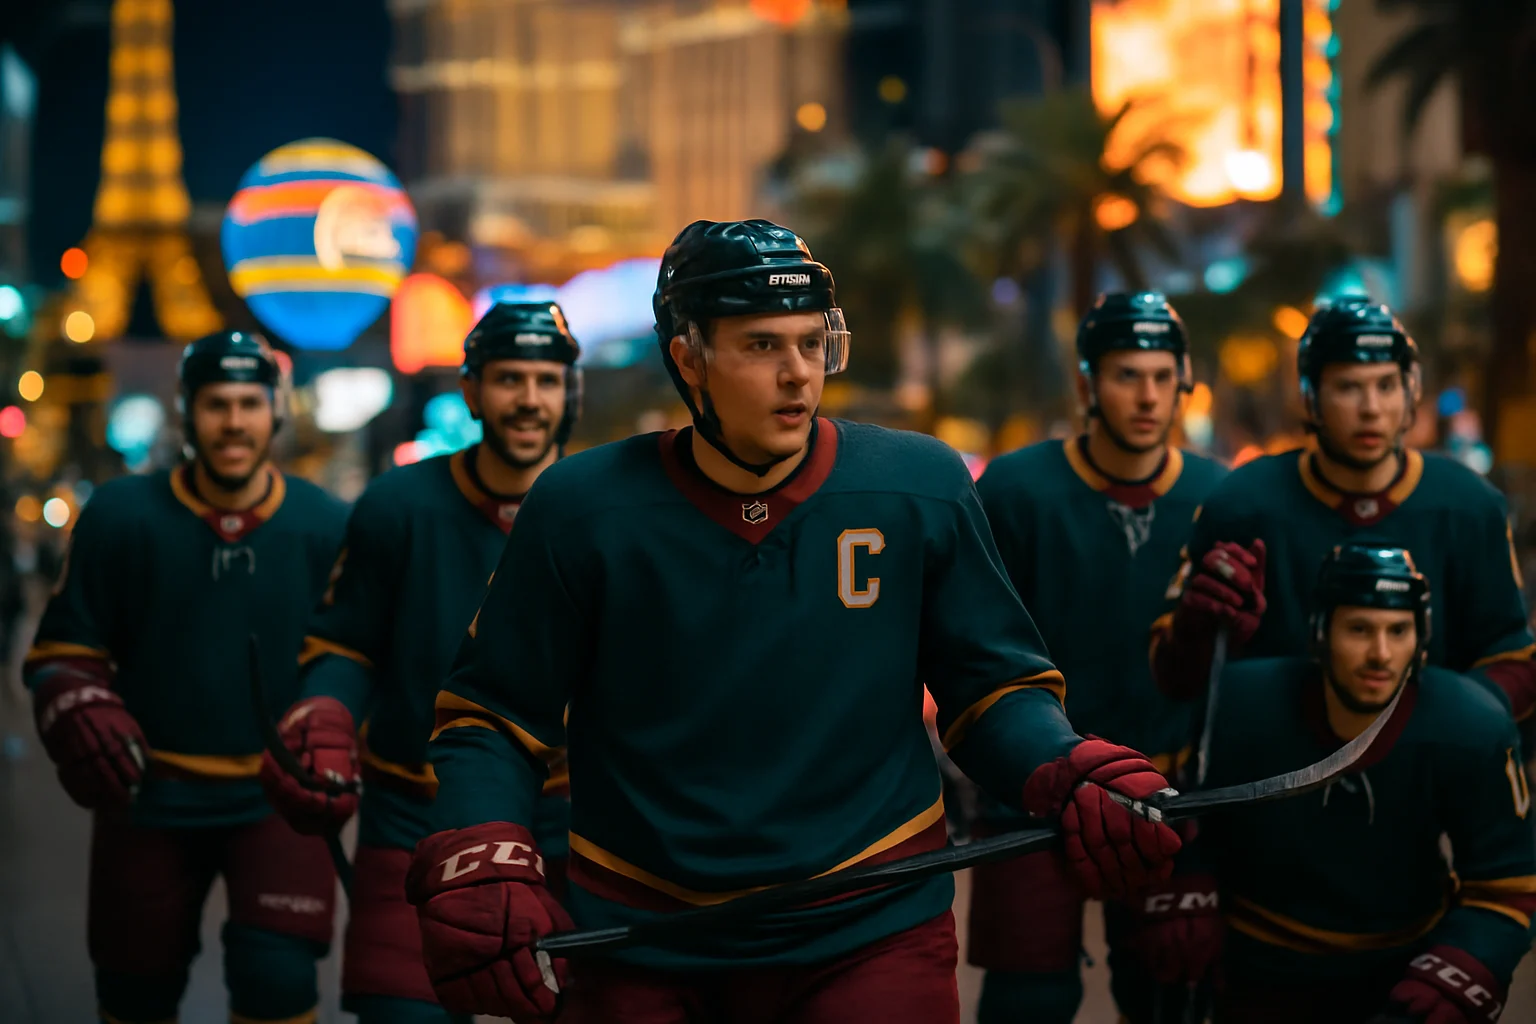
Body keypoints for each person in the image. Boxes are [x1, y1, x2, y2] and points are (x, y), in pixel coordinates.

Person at [402, 219, 1184, 1024]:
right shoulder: (578, 508)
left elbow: (992, 690)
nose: (798, 374)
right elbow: (494, 715)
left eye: (812, 344)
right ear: (688, 359)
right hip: (641, 938)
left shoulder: (922, 483)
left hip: (873, 924)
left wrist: (1065, 763)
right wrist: (482, 843)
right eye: (762, 346)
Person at [258, 302, 584, 1024]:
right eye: (509, 379)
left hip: (576, 823)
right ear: (472, 390)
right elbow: (345, 644)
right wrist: (325, 711)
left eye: (546, 380)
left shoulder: (609, 510)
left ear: (571, 392)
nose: (529, 399)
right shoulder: (396, 506)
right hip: (414, 813)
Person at [23, 330, 348, 1024]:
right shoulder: (120, 516)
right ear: (186, 411)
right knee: (134, 990)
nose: (233, 421)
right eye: (216, 403)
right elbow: (62, 647)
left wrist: (336, 712)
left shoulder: (326, 523)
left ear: (275, 410)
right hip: (150, 793)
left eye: (249, 403)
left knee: (279, 983)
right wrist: (74, 697)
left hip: (278, 798)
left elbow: (350, 653)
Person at [1132, 543, 1536, 1023]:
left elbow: (1509, 880)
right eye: (1359, 629)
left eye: (1398, 630)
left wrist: (1468, 960)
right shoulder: (1238, 702)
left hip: (1402, 962)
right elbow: (1173, 809)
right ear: (1320, 630)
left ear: (1421, 637)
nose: (1381, 654)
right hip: (1254, 963)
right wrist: (1183, 877)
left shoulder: (1472, 727)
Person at [969, 292, 1228, 1024]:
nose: (1147, 396)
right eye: (1125, 374)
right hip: (1033, 790)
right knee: (1026, 1000)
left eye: (1162, 375)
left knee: (1171, 993)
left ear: (1183, 381)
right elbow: (976, 645)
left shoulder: (1219, 496)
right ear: (1087, 382)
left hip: (1171, 792)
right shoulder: (1015, 490)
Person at [1151, 298, 1536, 723]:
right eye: (1349, 387)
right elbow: (1172, 676)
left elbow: (1514, 658)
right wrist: (1197, 633)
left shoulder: (1471, 505)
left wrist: (1453, 720)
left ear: (1410, 392)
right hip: (1279, 758)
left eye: (1386, 386)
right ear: (1311, 396)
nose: (1371, 408)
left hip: (1432, 762)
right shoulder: (1242, 504)